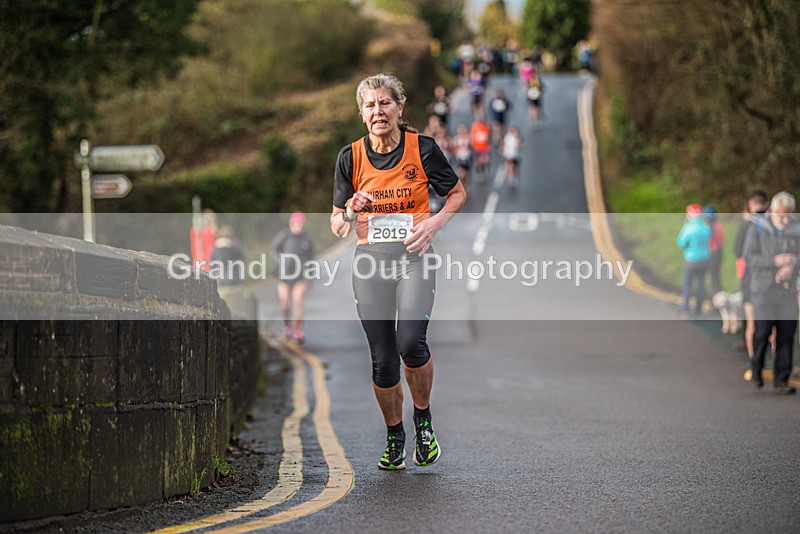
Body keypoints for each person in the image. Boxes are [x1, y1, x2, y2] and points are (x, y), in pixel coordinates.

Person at [330, 73, 466, 470]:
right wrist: (352, 209)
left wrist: (433, 224)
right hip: (370, 263)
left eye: (385, 103)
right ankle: (395, 436)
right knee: (383, 361)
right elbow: (337, 224)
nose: (378, 111)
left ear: (399, 108)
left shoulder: (422, 149)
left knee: (411, 343)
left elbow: (456, 193)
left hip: (414, 258)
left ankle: (422, 420)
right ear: (361, 113)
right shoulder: (349, 157)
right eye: (370, 105)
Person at [742, 191, 800, 394]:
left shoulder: (796, 229)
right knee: (763, 331)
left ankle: (781, 381)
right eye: (782, 215)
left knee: (786, 335)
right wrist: (775, 262)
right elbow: (749, 256)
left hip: (786, 291)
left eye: (789, 215)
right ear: (773, 210)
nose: (786, 220)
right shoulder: (757, 227)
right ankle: (756, 369)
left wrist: (791, 266)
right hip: (763, 290)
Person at [732, 191, 769, 357]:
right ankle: (776, 364)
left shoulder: (747, 225)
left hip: (751, 279)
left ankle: (754, 364)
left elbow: (738, 251)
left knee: (752, 323)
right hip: (771, 280)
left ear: (750, 205)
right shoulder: (775, 223)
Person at [271, 212, 314, 344]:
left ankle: (298, 330)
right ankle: (287, 326)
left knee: (299, 302)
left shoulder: (307, 239)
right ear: (291, 224)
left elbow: (311, 259)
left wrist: (310, 276)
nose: (298, 226)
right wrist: (279, 262)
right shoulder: (283, 236)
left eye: (301, 224)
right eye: (296, 224)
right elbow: (274, 250)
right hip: (283, 275)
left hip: (299, 276)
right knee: (285, 304)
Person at [677, 203, 712, 316]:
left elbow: (681, 243)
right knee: (701, 284)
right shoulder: (706, 226)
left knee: (687, 284)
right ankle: (698, 309)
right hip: (705, 258)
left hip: (691, 260)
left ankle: (686, 308)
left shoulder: (688, 227)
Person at [704, 205, 725, 295]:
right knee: (715, 279)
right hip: (717, 255)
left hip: (712, 255)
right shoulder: (719, 226)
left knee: (714, 280)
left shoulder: (712, 227)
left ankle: (714, 302)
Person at [470, 117, 491, 182]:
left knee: (484, 161)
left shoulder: (486, 127)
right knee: (478, 161)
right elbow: (473, 137)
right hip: (477, 148)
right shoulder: (475, 128)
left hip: (484, 148)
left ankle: (484, 170)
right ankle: (479, 172)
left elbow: (488, 137)